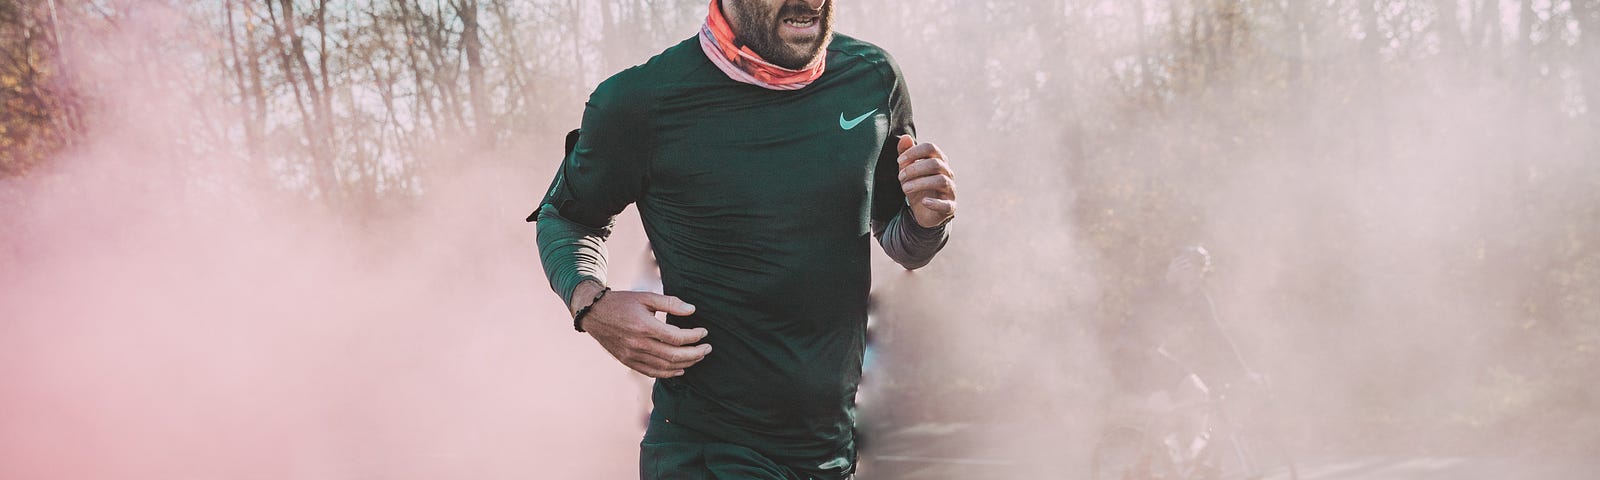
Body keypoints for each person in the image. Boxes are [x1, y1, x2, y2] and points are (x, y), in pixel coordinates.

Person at [529, 1, 956, 478]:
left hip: (829, 450)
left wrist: (927, 220)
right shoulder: (640, 100)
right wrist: (592, 304)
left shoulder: (873, 78)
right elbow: (565, 218)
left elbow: (899, 239)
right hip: (707, 451)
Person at [1110, 246, 1259, 471]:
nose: (1196, 278)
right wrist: (1168, 282)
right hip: (1131, 357)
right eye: (1190, 270)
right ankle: (1144, 465)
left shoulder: (1198, 297)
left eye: (1200, 272)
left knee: (1199, 395)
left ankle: (1186, 460)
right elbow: (1139, 314)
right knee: (1165, 408)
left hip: (1154, 355)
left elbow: (1218, 335)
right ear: (1179, 270)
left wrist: (1244, 371)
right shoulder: (1161, 290)